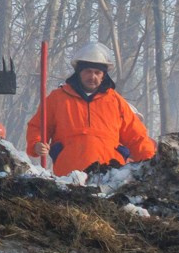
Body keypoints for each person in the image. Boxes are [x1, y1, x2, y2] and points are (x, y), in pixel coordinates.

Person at [25, 41, 158, 175]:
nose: (92, 76)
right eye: (88, 71)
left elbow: (136, 136)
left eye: (97, 72)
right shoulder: (57, 98)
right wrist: (36, 144)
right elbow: (38, 127)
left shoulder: (116, 101)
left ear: (103, 75)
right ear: (79, 72)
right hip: (68, 175)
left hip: (108, 175)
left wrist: (153, 163)